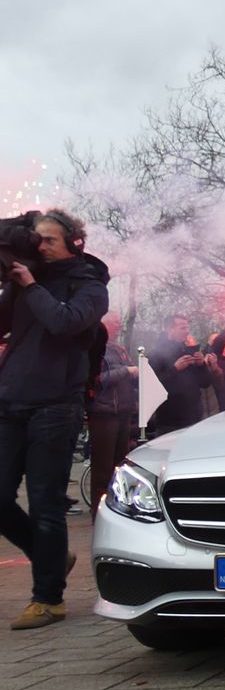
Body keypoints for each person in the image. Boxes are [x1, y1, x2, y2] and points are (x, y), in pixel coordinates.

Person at [0, 209, 109, 629]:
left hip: (54, 405)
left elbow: (65, 323)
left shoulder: (89, 285)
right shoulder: (28, 278)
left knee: (46, 505)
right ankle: (51, 557)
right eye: (35, 240)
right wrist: (14, 285)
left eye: (47, 240)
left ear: (73, 242)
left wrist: (30, 287)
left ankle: (48, 599)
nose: (38, 247)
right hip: (10, 399)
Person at [88, 312, 137, 515]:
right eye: (116, 322)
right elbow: (98, 378)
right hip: (103, 413)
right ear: (104, 324)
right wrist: (127, 371)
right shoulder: (96, 347)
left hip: (123, 412)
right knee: (103, 466)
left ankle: (120, 509)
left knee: (120, 464)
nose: (119, 326)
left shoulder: (120, 348)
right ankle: (99, 512)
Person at [147, 314, 217, 435]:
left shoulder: (188, 350)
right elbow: (151, 388)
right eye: (182, 328)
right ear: (170, 330)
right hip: (170, 422)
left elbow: (205, 383)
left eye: (187, 327)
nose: (187, 331)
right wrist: (175, 369)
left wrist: (201, 365)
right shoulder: (156, 354)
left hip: (194, 418)